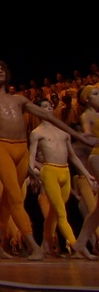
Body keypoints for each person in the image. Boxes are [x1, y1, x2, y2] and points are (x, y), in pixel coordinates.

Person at [0, 59, 96, 261]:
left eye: (2, 68)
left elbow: (49, 117)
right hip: (2, 147)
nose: (0, 71)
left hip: (22, 149)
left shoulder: (19, 100)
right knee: (15, 197)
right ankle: (34, 246)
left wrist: (79, 136)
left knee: (7, 198)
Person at [28, 96, 96, 257]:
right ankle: (76, 245)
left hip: (65, 172)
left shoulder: (63, 131)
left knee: (53, 212)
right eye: (45, 106)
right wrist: (31, 176)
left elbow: (73, 157)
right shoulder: (36, 133)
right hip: (49, 172)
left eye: (50, 105)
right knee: (60, 212)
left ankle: (45, 245)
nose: (49, 108)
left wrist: (87, 174)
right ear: (37, 111)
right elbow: (31, 156)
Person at [71, 84, 99, 259]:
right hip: (97, 157)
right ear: (87, 99)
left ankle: (80, 242)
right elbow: (88, 138)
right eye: (95, 94)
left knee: (97, 210)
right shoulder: (87, 116)